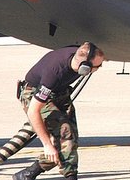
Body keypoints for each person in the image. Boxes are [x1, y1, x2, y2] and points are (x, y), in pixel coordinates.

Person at [13, 42, 106, 180]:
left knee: (69, 139)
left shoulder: (79, 54)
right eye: (97, 66)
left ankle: (28, 173)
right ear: (84, 68)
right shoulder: (54, 73)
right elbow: (33, 111)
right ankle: (70, 176)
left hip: (59, 93)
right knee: (65, 132)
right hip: (33, 94)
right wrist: (46, 144)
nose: (99, 68)